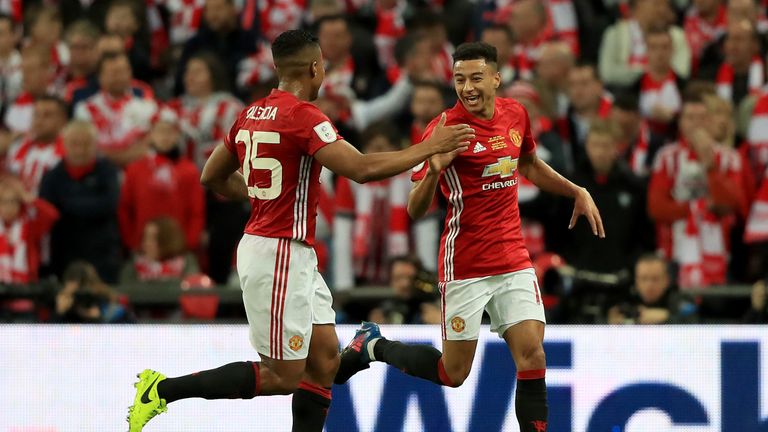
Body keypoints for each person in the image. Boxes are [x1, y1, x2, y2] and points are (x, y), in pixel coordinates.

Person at [127, 29, 473, 432]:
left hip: (293, 252)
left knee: (325, 361)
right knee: (283, 376)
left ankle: (362, 348)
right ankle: (161, 390)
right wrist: (430, 146)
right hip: (275, 256)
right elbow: (360, 169)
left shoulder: (249, 113)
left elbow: (212, 176)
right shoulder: (304, 117)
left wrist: (259, 197)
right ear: (314, 67)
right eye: (323, 64)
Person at [335, 41, 604, 432]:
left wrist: (575, 190)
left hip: (513, 257)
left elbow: (527, 162)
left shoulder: (516, 114)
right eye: (459, 79)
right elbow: (415, 209)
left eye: (476, 77)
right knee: (452, 372)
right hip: (465, 262)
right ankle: (372, 345)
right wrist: (432, 170)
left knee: (532, 355)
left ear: (496, 78)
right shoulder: (444, 129)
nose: (468, 87)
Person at [39, 121, 121, 283]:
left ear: (95, 145)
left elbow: (108, 205)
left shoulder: (108, 171)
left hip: (103, 252)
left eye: (86, 144)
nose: (80, 149)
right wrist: (89, 204)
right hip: (65, 252)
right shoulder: (52, 176)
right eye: (75, 143)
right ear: (64, 144)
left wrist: (67, 204)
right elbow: (47, 212)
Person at [118, 109, 205, 252]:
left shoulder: (189, 170)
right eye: (160, 131)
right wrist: (132, 242)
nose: (165, 136)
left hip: (180, 249)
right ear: (150, 134)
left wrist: (190, 243)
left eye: (170, 131)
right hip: (142, 249)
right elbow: (125, 209)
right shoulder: (135, 169)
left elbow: (196, 211)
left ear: (177, 135)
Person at [607, 254, 697, 324]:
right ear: (636, 281)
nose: (649, 285)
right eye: (644, 278)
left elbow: (695, 325)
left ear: (667, 280)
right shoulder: (626, 301)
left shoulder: (679, 300)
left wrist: (666, 318)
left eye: (655, 279)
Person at [366, 255, 442, 325]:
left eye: (411, 278)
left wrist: (441, 323)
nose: (405, 284)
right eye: (398, 278)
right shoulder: (384, 310)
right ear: (390, 280)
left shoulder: (436, 306)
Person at [120, 217, 199, 283]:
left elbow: (192, 291)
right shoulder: (134, 264)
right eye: (145, 237)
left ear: (168, 241)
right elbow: (126, 292)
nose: (146, 243)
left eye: (153, 238)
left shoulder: (187, 262)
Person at [53, 260, 133, 323]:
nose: (82, 300)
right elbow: (49, 340)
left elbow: (130, 338)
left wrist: (98, 320)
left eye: (84, 294)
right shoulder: (66, 312)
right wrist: (59, 313)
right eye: (76, 295)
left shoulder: (111, 310)